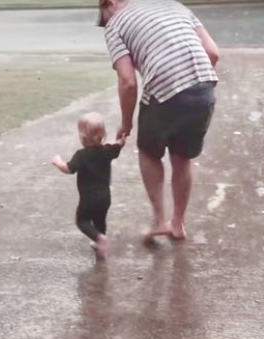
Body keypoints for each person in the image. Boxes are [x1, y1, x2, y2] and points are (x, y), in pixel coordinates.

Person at [98, 0, 219, 241]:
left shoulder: (115, 25)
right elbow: (213, 53)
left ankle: (160, 220)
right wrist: (192, 86)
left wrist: (126, 123)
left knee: (148, 152)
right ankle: (178, 224)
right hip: (204, 87)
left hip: (165, 89)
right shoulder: (173, 5)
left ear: (108, 3)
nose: (105, 23)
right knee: (182, 158)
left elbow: (128, 82)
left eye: (103, 17)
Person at [52, 111, 125, 260]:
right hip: (105, 197)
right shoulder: (107, 151)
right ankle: (100, 238)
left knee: (82, 221)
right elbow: (118, 147)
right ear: (103, 135)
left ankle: (99, 238)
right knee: (100, 219)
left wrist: (58, 162)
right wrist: (121, 140)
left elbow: (69, 169)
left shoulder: (82, 155)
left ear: (83, 137)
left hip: (88, 198)